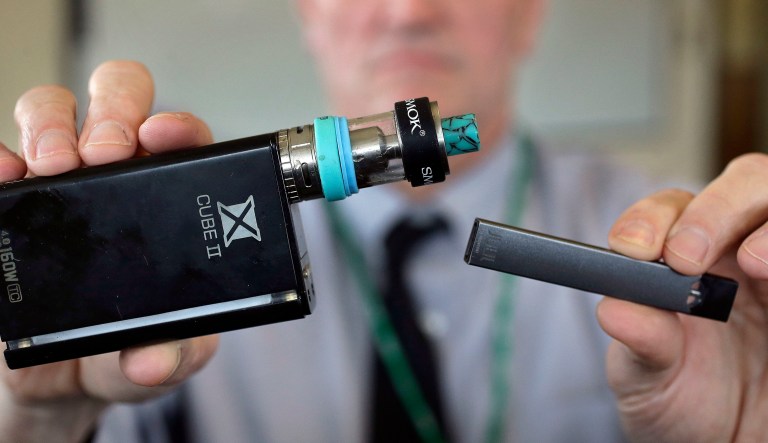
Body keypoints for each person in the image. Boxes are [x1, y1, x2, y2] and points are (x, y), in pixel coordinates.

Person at [1, 0, 768, 441]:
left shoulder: (691, 260)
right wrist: (32, 421)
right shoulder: (161, 301)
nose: (406, 11)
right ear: (308, 13)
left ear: (528, 15)